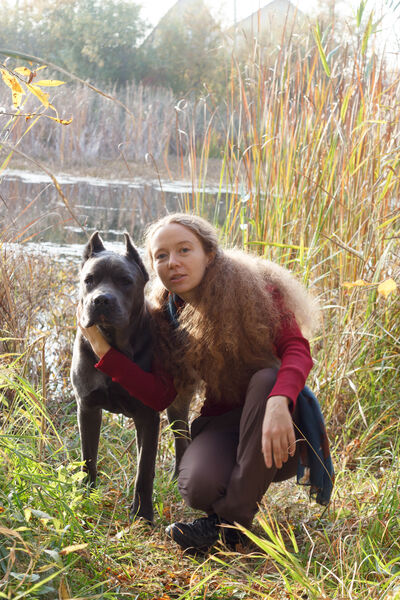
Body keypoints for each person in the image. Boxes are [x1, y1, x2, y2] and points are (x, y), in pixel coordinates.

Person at [78, 213, 332, 554]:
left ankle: (228, 524)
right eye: (162, 255)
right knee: (197, 486)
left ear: (209, 253)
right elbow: (160, 397)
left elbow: (297, 349)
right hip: (227, 422)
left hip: (281, 425)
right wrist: (103, 351)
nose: (173, 262)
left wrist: (278, 401)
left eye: (184, 250)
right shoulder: (167, 313)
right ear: (153, 267)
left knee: (265, 378)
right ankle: (232, 512)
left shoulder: (255, 286)